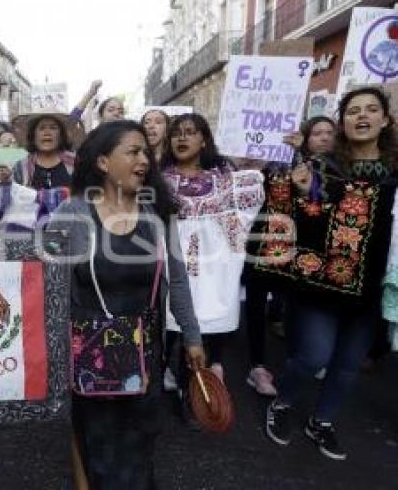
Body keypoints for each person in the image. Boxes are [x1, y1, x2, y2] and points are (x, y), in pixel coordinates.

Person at [49, 120, 204, 489]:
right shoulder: (72, 216)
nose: (144, 160)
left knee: (139, 445)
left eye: (145, 152)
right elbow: (47, 286)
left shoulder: (157, 214)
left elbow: (177, 279)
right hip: (88, 352)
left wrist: (193, 337)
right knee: (97, 443)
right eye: (132, 152)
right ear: (103, 162)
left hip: (146, 352)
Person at [264, 87, 398, 460]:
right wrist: (306, 191)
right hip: (323, 280)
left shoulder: (394, 173)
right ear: (343, 121)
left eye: (372, 109)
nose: (362, 116)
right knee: (313, 356)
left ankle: (321, 421)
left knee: (347, 366)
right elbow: (304, 221)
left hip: (373, 286)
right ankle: (282, 402)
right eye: (353, 110)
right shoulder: (323, 167)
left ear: (386, 120)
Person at [161, 113, 264, 388]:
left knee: (198, 336)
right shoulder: (156, 181)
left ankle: (191, 391)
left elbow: (242, 214)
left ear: (204, 139)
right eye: (176, 133)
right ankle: (160, 384)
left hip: (211, 268)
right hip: (169, 263)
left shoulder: (225, 180)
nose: (182, 137)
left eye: (190, 132)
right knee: (164, 328)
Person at [244, 116, 337, 397]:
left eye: (329, 132)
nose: (323, 137)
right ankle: (257, 365)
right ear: (305, 137)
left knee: (296, 304)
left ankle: (298, 359)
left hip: (303, 247)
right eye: (316, 132)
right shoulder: (277, 164)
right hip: (264, 240)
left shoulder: (338, 170)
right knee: (256, 302)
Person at [11, 110, 84, 218]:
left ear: (61, 135)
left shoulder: (76, 163)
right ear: (33, 135)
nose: (47, 132)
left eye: (53, 128)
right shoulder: (20, 167)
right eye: (41, 128)